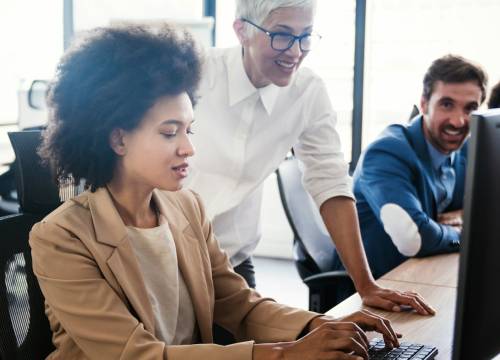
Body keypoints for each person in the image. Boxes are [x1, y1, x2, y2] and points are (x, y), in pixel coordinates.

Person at [30, 25, 401, 360]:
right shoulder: (61, 238)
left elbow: (239, 306)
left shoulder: (186, 207)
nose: (188, 148)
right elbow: (136, 355)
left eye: (189, 130)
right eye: (169, 131)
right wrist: (286, 354)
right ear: (118, 138)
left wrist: (318, 326)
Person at [187, 0, 433, 314]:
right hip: (162, 255)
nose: (295, 51)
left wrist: (366, 286)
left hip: (229, 260)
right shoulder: (196, 74)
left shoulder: (308, 92)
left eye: (306, 36)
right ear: (241, 31)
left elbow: (330, 183)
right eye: (282, 34)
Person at [350, 55, 487, 278]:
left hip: (427, 274)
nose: (458, 121)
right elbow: (412, 239)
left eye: (470, 109)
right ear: (424, 104)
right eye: (447, 104)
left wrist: (463, 216)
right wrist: (465, 233)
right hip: (378, 287)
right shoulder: (386, 152)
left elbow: (489, 210)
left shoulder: (465, 150)